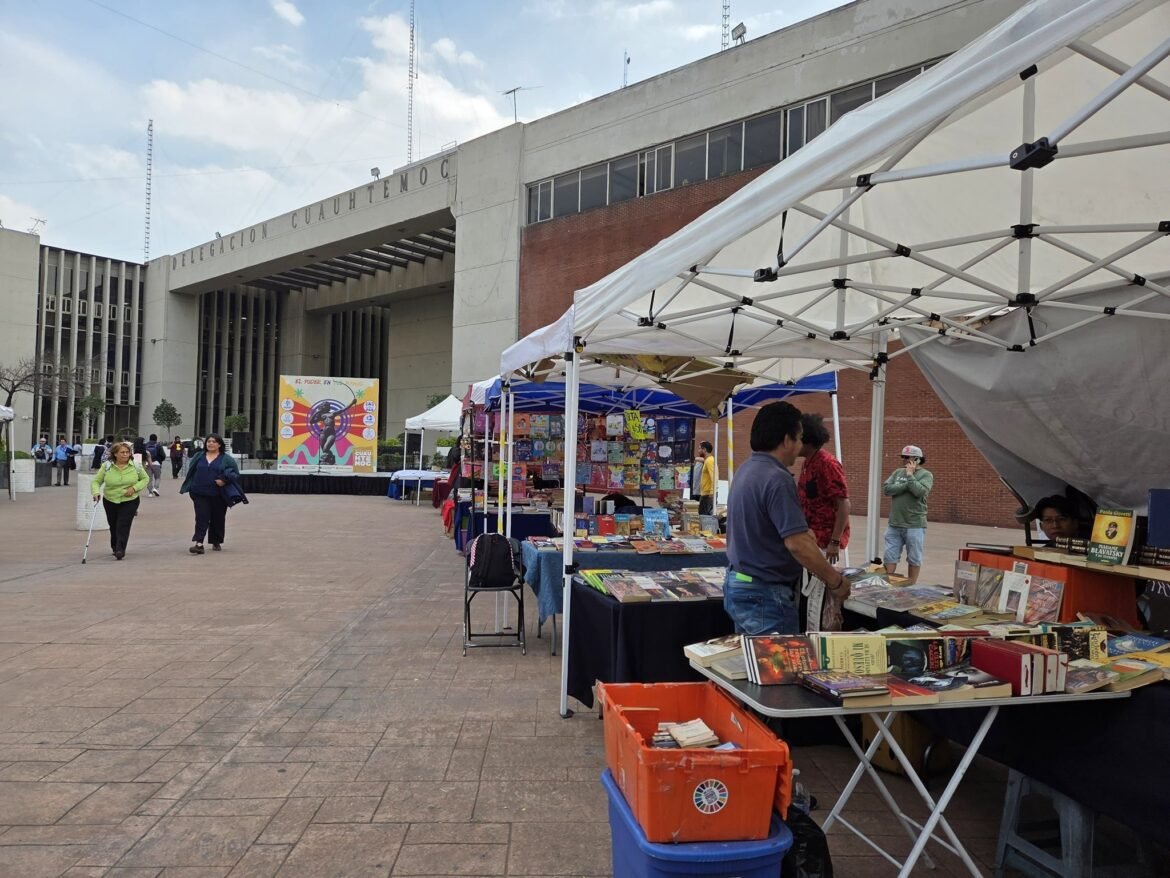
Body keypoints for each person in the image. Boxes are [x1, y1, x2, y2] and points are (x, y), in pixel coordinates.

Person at [724, 401, 850, 635]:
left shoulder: (747, 468)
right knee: (779, 669)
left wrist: (803, 534)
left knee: (754, 666)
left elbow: (769, 528)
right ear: (786, 440)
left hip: (741, 584)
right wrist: (835, 581)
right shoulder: (777, 478)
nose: (801, 445)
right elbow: (797, 545)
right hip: (765, 593)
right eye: (799, 438)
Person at [797, 413, 851, 564]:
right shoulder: (807, 462)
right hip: (811, 538)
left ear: (806, 441)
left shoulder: (827, 464)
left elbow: (844, 504)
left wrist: (834, 542)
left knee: (821, 585)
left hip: (826, 543)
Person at [180, 433, 241, 554]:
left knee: (217, 518)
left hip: (218, 494)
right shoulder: (199, 456)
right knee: (202, 517)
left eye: (214, 441)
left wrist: (224, 480)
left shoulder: (226, 459)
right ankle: (199, 543)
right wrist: (190, 486)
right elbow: (191, 471)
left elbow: (235, 474)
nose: (211, 443)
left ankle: (216, 540)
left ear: (219, 444)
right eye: (208, 441)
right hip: (199, 492)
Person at [883, 444, 934, 584]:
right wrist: (906, 485)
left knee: (914, 557)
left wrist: (910, 476)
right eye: (903, 457)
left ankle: (911, 584)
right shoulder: (897, 473)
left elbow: (920, 492)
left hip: (914, 524)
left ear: (917, 459)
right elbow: (887, 489)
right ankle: (887, 583)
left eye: (907, 457)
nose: (904, 460)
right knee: (890, 556)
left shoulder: (926, 475)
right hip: (895, 523)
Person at [91, 441, 148, 560]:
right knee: (113, 525)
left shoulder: (136, 466)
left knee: (123, 524)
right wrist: (96, 492)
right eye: (122, 452)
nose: (125, 455)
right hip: (110, 499)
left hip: (130, 500)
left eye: (127, 452)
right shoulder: (107, 466)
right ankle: (114, 546)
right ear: (115, 454)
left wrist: (134, 488)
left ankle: (120, 549)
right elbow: (96, 481)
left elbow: (145, 479)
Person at [697, 441, 716, 516]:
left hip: (708, 495)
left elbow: (714, 476)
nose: (698, 451)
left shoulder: (710, 461)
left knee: (704, 517)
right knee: (704, 516)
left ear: (704, 449)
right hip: (706, 494)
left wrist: (712, 493)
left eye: (699, 449)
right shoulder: (708, 460)